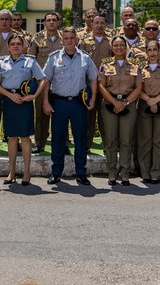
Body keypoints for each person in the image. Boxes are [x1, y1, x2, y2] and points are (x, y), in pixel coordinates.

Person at [42, 27, 98, 185]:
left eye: (72, 38)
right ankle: (56, 172)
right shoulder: (54, 57)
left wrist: (93, 97)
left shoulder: (85, 58)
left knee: (80, 138)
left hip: (78, 104)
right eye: (66, 38)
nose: (69, 41)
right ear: (62, 41)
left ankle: (81, 173)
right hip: (59, 103)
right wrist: (45, 101)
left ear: (77, 40)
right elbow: (46, 80)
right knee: (58, 139)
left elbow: (93, 78)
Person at [0, 33, 47, 186]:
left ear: (23, 46)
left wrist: (34, 95)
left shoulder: (30, 61)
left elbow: (42, 79)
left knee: (25, 138)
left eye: (18, 44)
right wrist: (10, 95)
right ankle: (12, 171)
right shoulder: (2, 62)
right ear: (8, 47)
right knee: (11, 137)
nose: (16, 46)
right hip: (9, 100)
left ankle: (27, 172)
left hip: (24, 101)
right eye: (13, 44)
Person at [98, 36, 143, 186]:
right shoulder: (105, 64)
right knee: (111, 140)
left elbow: (138, 87)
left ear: (126, 47)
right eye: (116, 45)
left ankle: (125, 174)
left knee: (126, 140)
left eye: (122, 45)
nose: (119, 48)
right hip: (110, 104)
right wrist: (114, 102)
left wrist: (124, 102)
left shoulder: (135, 65)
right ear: (112, 47)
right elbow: (101, 85)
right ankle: (112, 173)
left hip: (128, 104)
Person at [0, 10, 26, 152]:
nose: (4, 21)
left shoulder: (19, 37)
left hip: (14, 80)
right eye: (1, 19)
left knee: (14, 111)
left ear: (11, 21)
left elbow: (23, 55)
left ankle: (14, 138)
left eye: (7, 19)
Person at [136, 40, 160, 183]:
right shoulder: (140, 67)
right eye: (149, 50)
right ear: (146, 52)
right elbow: (136, 87)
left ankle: (156, 173)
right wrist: (149, 100)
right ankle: (145, 172)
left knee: (159, 139)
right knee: (145, 139)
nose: (152, 53)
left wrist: (156, 100)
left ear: (159, 51)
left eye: (155, 50)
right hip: (144, 103)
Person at [33, 12, 64, 154]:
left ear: (58, 22)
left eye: (54, 20)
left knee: (61, 115)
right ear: (44, 23)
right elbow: (31, 59)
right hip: (43, 83)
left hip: (61, 83)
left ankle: (63, 144)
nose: (51, 22)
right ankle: (39, 143)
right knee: (41, 115)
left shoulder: (65, 38)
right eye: (48, 20)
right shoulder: (37, 39)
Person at [79, 15, 112, 150]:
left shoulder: (111, 41)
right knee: (88, 117)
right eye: (96, 23)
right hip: (88, 84)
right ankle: (86, 145)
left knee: (106, 118)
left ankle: (107, 145)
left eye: (102, 23)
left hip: (107, 85)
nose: (99, 25)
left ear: (106, 25)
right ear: (91, 24)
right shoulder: (84, 42)